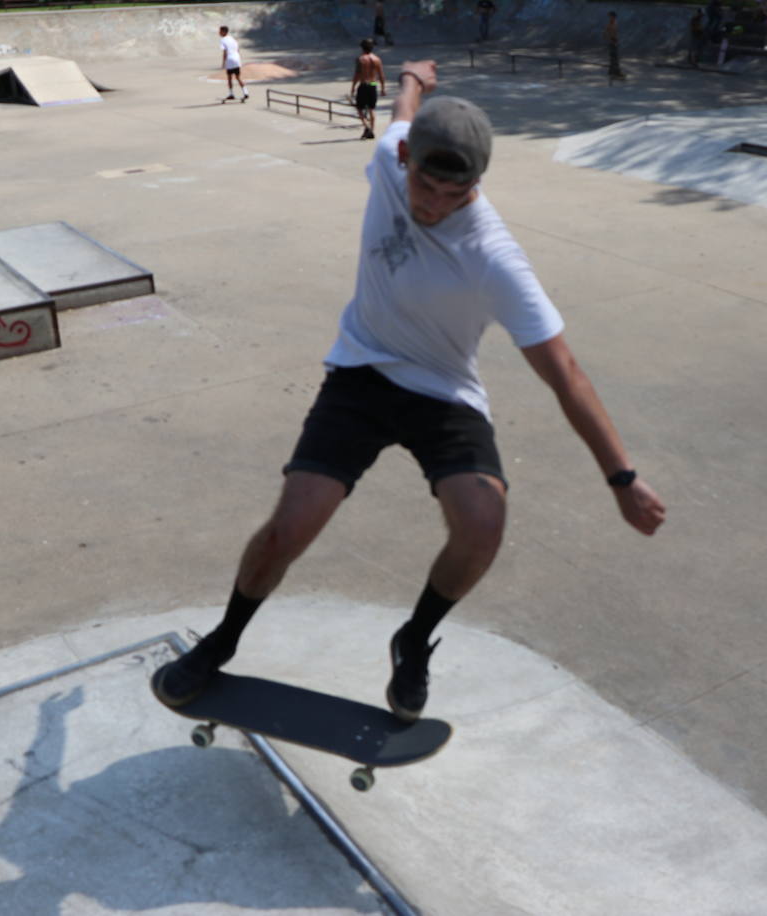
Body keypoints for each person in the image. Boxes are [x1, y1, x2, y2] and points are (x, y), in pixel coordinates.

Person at [152, 60, 667, 723]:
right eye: (424, 184)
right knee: (291, 527)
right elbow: (403, 112)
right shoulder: (393, 152)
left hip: (444, 393)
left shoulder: (495, 258)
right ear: (409, 163)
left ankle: (414, 640)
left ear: (474, 185)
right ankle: (222, 641)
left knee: (483, 524)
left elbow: (565, 371)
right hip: (360, 374)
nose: (431, 204)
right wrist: (414, 78)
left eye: (453, 194)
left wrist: (622, 479)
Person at [351, 38, 386, 140]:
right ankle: (372, 129)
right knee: (371, 108)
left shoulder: (360, 59)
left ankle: (367, 126)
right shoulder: (377, 59)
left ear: (362, 48)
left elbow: (357, 74)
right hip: (373, 83)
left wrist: (353, 87)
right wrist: (383, 88)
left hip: (363, 84)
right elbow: (381, 75)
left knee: (359, 108)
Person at [218, 26, 248, 103]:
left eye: (220, 31)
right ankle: (245, 92)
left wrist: (223, 63)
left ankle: (231, 94)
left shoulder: (223, 40)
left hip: (230, 60)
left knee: (229, 78)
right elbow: (238, 49)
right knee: (238, 77)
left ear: (224, 32)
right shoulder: (232, 39)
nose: (219, 33)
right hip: (237, 59)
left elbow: (225, 52)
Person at [606, 11, 626, 77]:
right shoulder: (611, 23)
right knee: (614, 57)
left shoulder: (614, 23)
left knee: (614, 57)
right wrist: (611, 39)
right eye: (610, 17)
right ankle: (615, 71)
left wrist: (615, 40)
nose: (610, 18)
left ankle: (612, 71)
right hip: (612, 41)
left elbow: (612, 32)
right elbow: (607, 32)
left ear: (614, 17)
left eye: (611, 16)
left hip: (613, 41)